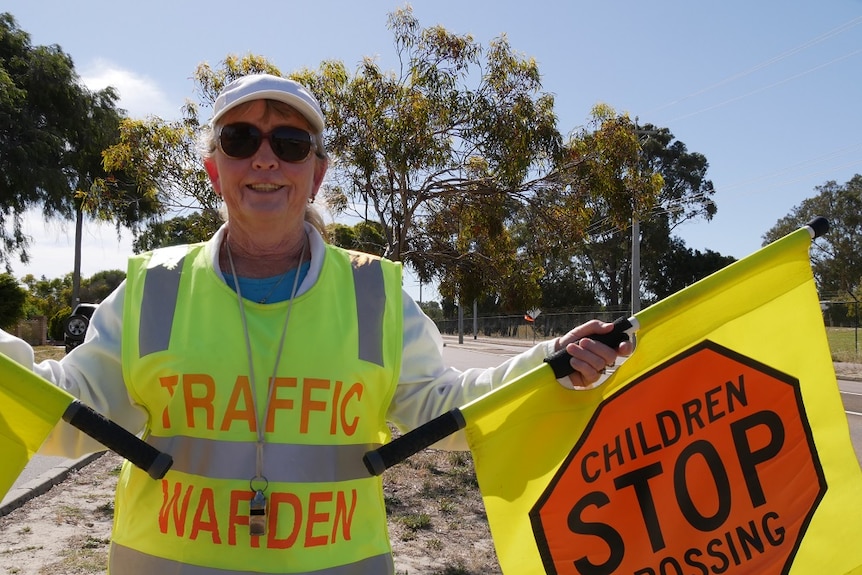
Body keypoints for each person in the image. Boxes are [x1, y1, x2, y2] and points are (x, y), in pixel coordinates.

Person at [0, 73, 632, 574]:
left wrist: (549, 361)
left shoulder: (373, 292)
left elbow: (441, 410)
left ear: (317, 172)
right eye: (242, 140)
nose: (267, 159)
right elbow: (65, 418)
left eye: (291, 144)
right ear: (215, 168)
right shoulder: (154, 288)